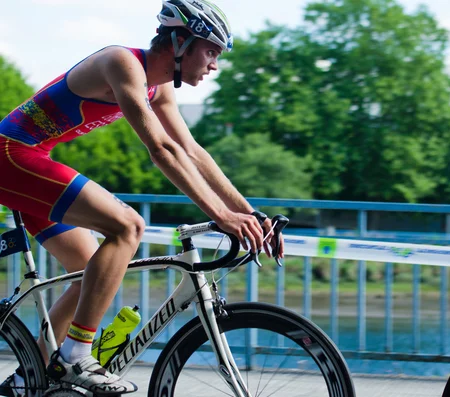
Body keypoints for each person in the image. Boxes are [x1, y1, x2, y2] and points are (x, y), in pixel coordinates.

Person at [0, 0, 283, 395]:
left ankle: (29, 379)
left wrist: (249, 212)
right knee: (129, 225)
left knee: (89, 270)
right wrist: (220, 215)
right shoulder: (122, 63)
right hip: (11, 154)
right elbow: (161, 150)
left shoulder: (160, 85)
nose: (215, 64)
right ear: (180, 41)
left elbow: (192, 151)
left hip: (29, 159)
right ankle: (77, 356)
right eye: (211, 51)